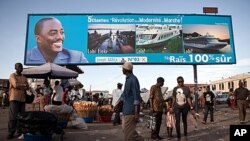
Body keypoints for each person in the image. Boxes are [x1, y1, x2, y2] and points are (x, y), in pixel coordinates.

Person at [117, 62, 141, 141]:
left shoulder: (133, 80)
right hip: (125, 111)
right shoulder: (128, 79)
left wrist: (136, 113)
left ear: (125, 70)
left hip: (130, 112)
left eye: (122, 68)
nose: (122, 70)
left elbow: (136, 97)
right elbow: (125, 95)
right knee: (126, 130)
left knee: (127, 137)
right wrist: (117, 104)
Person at [7, 63, 29, 139]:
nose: (21, 68)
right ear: (15, 68)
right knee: (13, 117)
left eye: (22, 67)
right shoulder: (12, 75)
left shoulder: (24, 77)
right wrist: (23, 85)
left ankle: (20, 132)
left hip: (22, 99)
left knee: (22, 117)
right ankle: (11, 133)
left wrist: (22, 86)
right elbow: (15, 84)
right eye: (19, 67)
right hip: (14, 99)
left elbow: (27, 87)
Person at [170, 76, 194, 141]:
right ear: (177, 82)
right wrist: (171, 107)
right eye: (179, 82)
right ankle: (179, 137)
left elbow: (188, 98)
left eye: (182, 81)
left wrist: (191, 107)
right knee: (177, 122)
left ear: (183, 81)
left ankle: (185, 135)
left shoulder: (186, 88)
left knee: (184, 121)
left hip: (185, 107)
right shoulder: (175, 89)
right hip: (177, 107)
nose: (180, 83)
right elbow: (174, 98)